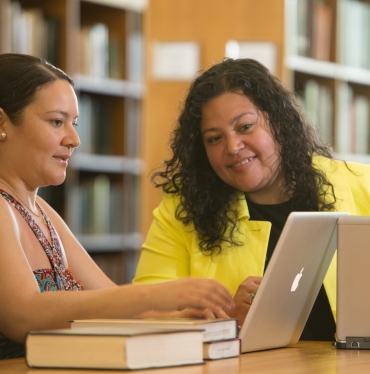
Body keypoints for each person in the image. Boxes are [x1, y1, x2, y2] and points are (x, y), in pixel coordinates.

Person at [133, 58, 370, 341]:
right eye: (214, 139)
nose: (233, 147)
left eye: (245, 127)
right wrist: (227, 322)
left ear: (279, 121)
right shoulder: (183, 210)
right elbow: (144, 316)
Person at [0, 53, 233, 360]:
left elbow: (110, 304)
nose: (74, 139)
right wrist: (155, 295)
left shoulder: (40, 210)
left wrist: (209, 320)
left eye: (74, 123)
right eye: (57, 122)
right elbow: (24, 316)